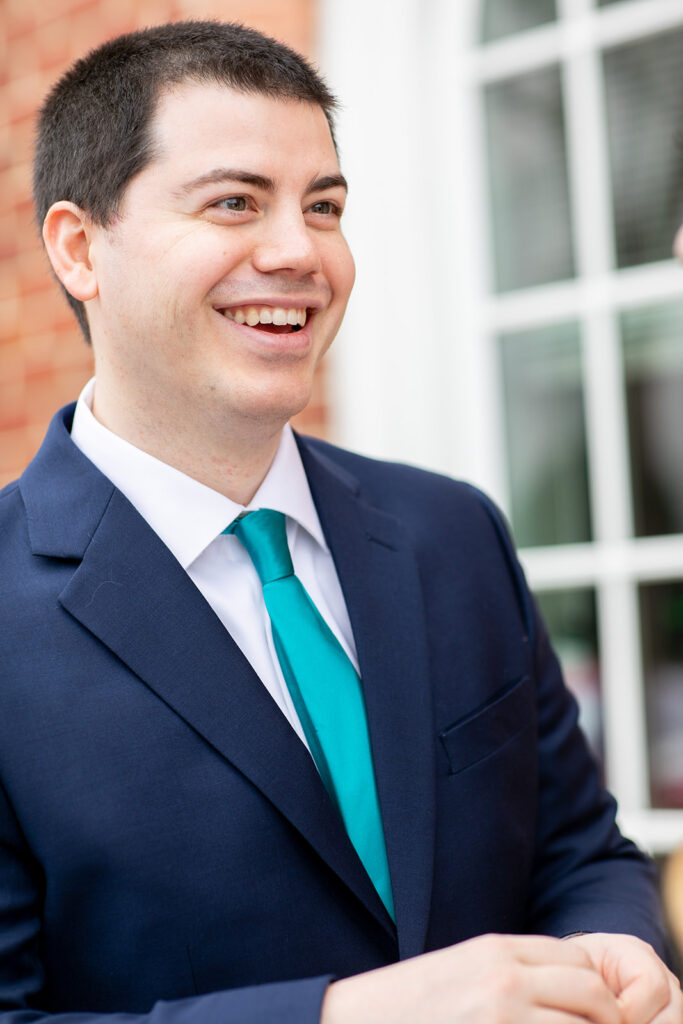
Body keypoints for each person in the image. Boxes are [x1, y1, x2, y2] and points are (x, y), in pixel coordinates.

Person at [0, 19, 680, 1024]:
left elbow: (576, 847)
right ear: (78, 246)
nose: (300, 252)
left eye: (323, 206)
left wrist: (612, 947)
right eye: (234, 202)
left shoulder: (453, 532)